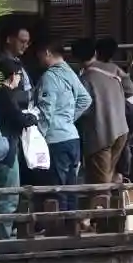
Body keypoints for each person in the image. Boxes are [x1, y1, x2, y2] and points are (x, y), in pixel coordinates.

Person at [35, 41, 92, 214]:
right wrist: (68, 119)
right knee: (71, 188)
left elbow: (46, 109)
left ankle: (59, 225)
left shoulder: (49, 76)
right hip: (72, 137)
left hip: (56, 139)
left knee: (57, 189)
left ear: (47, 52)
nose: (38, 59)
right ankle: (72, 224)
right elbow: (85, 99)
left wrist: (39, 135)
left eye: (39, 55)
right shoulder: (70, 72)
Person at [79, 37, 133, 210]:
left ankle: (102, 219)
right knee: (108, 175)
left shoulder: (85, 77)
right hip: (121, 129)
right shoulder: (113, 69)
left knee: (101, 183)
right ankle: (95, 217)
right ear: (95, 52)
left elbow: (82, 106)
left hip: (101, 133)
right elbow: (131, 89)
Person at [0, 56, 31, 239]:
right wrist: (31, 118)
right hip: (6, 151)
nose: (20, 79)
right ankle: (3, 239)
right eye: (19, 75)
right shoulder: (5, 95)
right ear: (11, 76)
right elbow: (17, 119)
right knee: (8, 197)